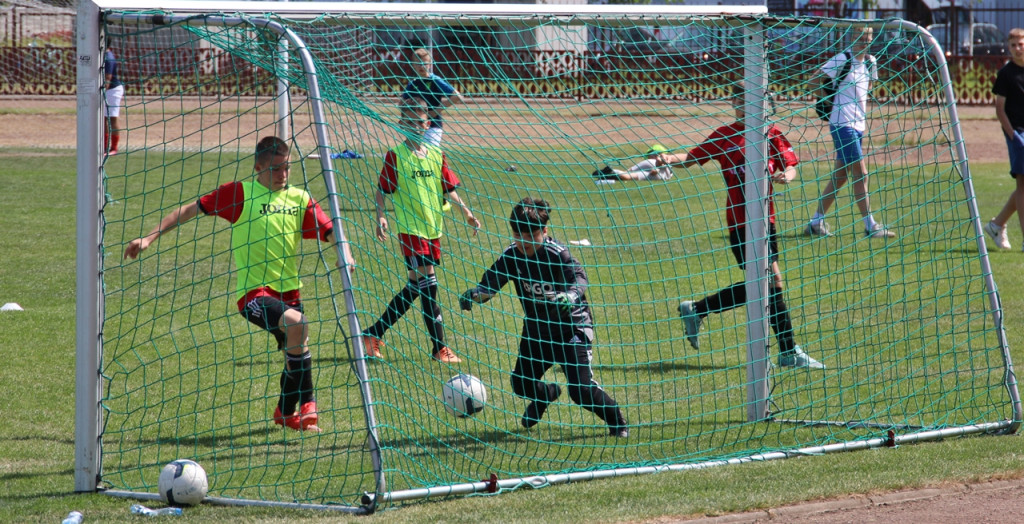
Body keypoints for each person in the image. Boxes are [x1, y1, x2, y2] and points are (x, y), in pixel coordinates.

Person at [123, 136, 355, 433]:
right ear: (258, 167)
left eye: (287, 169)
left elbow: (330, 229)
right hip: (253, 296)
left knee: (295, 350)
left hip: (290, 293)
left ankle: (285, 413)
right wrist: (149, 237)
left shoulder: (299, 198)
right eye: (276, 169)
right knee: (299, 326)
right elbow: (190, 209)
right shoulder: (240, 194)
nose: (283, 175)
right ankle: (309, 403)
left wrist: (344, 253)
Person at [659, 91, 825, 369]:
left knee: (763, 286)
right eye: (738, 100)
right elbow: (690, 157)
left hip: (767, 222)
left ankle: (698, 309)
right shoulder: (725, 135)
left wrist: (787, 176)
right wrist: (667, 158)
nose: (741, 105)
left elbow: (791, 166)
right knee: (771, 283)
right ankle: (788, 351)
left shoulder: (771, 134)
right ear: (734, 104)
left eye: (748, 100)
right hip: (740, 224)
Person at [459, 197, 629, 437]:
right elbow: (491, 284)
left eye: (530, 234)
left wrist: (570, 296)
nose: (522, 240)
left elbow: (579, 279)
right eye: (517, 234)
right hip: (537, 332)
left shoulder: (559, 254)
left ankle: (617, 421)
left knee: (580, 391)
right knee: (521, 384)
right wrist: (476, 295)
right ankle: (546, 395)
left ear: (544, 231)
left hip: (572, 330)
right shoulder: (512, 255)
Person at [361, 99, 481, 363]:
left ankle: (373, 334)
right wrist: (380, 217)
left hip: (433, 230)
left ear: (428, 124)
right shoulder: (396, 155)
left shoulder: (437, 155)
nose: (416, 126)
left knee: (418, 286)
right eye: (410, 122)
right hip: (411, 231)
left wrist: (468, 213)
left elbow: (448, 189)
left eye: (421, 122)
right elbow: (382, 191)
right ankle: (439, 347)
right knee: (429, 284)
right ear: (401, 124)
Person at [804, 26, 895, 239]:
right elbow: (812, 82)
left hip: (858, 126)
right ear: (851, 38)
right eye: (860, 37)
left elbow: (867, 91)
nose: (864, 41)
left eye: (868, 38)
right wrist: (828, 100)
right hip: (841, 124)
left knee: (841, 175)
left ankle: (815, 222)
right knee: (861, 173)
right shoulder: (841, 59)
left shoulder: (870, 62)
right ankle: (870, 226)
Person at [983, 28, 1024, 251]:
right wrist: (1014, 136)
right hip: (1017, 133)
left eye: (1021, 43)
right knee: (1022, 185)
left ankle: (997, 224)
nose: (1018, 48)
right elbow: (1000, 109)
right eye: (1013, 45)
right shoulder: (1006, 74)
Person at [401, 48, 464, 147]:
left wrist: (435, 111)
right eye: (418, 63)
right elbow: (402, 103)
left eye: (425, 63)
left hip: (433, 126)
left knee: (430, 155)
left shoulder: (435, 80)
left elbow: (457, 97)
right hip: (416, 127)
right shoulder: (412, 84)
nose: (421, 66)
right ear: (413, 65)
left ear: (430, 65)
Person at [591, 144, 675, 183]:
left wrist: (655, 169)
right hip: (660, 176)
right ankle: (608, 175)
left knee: (628, 172)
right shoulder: (670, 161)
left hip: (656, 170)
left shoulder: (653, 160)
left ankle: (608, 173)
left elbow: (657, 165)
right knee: (628, 176)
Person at [104, 43, 124, 156]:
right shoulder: (101, 55)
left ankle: (114, 148)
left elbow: (108, 78)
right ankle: (104, 147)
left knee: (112, 118)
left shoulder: (108, 57)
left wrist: (102, 92)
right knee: (103, 119)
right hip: (106, 90)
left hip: (113, 90)